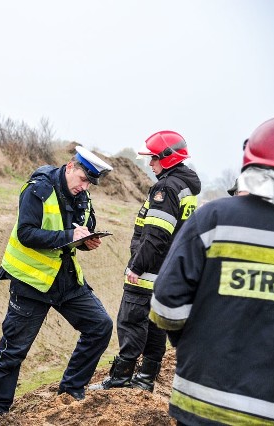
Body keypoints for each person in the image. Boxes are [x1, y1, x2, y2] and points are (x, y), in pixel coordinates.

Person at [149, 113, 274, 425]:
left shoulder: (212, 219)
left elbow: (165, 310)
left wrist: (196, 344)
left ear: (249, 160)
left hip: (199, 404)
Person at [0, 145, 115, 423]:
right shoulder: (37, 189)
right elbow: (26, 233)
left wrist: (88, 242)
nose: (85, 186)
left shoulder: (84, 197)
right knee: (13, 351)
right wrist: (68, 235)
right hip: (31, 283)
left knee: (100, 326)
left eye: (90, 183)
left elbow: (82, 229)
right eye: (83, 179)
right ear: (70, 167)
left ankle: (70, 391)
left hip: (66, 279)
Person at [91, 130, 201, 392]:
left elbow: (156, 235)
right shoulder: (186, 187)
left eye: (153, 159)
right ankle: (145, 379)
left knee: (131, 321)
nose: (150, 164)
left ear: (167, 158)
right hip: (167, 271)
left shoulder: (166, 188)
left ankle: (121, 376)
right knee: (154, 326)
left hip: (149, 270)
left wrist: (137, 266)